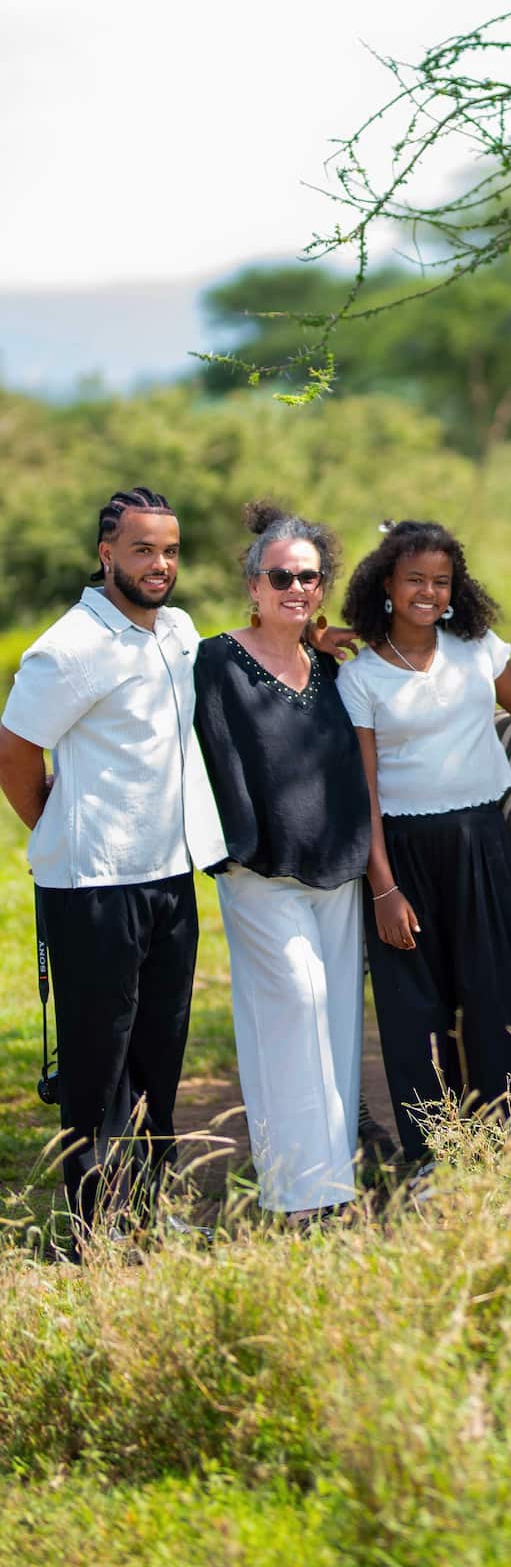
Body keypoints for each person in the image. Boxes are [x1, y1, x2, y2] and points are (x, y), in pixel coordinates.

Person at [0, 488, 227, 1249]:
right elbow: (14, 753)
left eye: (168, 549)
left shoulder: (179, 629)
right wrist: (59, 828)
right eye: (141, 549)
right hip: (92, 888)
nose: (159, 564)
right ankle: (92, 1234)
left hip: (170, 876)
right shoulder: (68, 647)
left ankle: (146, 1214)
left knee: (160, 1053)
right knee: (98, 1066)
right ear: (106, 553)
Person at [336, 520, 511, 1163]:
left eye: (441, 581)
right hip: (401, 852)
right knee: (413, 1008)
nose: (429, 592)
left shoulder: (478, 648)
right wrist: (384, 886)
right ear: (386, 586)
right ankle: (435, 1154)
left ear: (455, 590)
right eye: (415, 579)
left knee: (495, 992)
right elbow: (362, 789)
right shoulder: (361, 676)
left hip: (481, 841)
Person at [193, 504, 371, 1222]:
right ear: (253, 584)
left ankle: (333, 1187)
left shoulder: (332, 665)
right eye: (281, 577)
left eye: (309, 576)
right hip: (258, 871)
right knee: (289, 1010)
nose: (295, 587)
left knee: (335, 1023)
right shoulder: (214, 658)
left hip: (340, 869)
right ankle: (301, 1196)